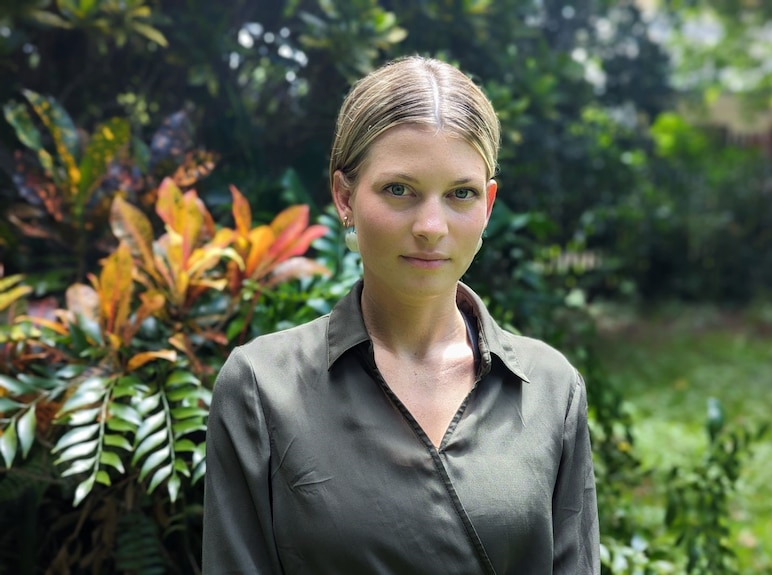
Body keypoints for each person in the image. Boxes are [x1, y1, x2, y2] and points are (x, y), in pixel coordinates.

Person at [202, 55, 599, 575]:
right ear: (344, 196)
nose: (431, 226)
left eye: (461, 194)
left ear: (489, 204)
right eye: (399, 190)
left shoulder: (549, 388)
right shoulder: (262, 388)